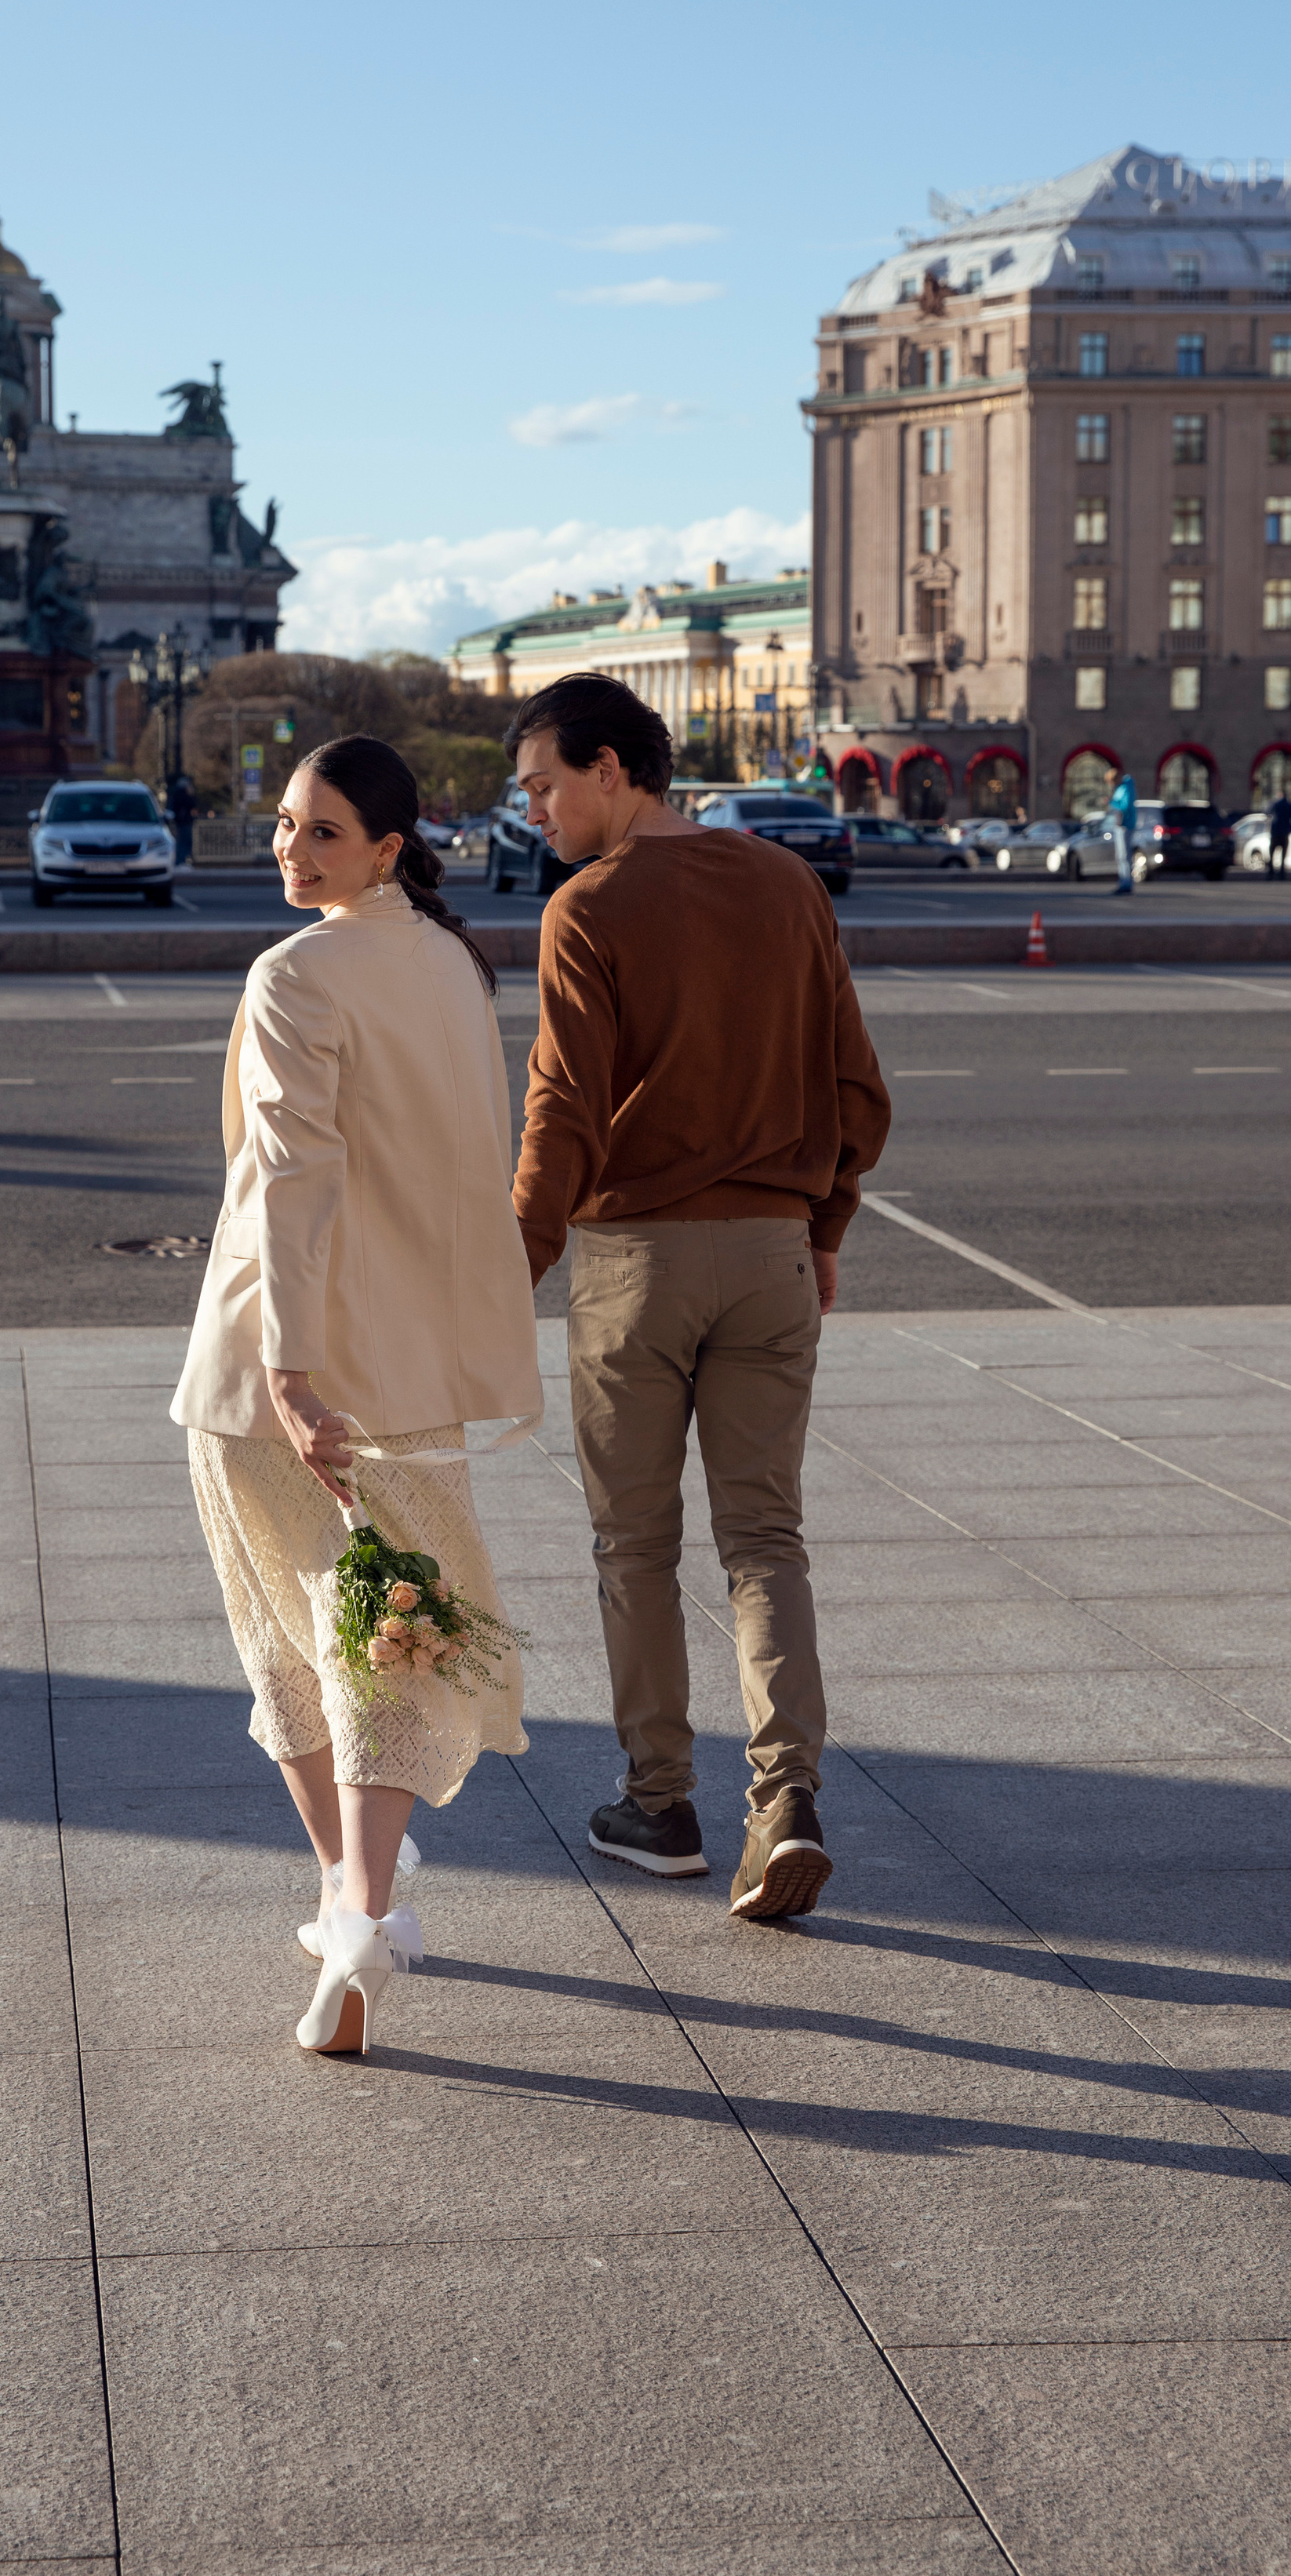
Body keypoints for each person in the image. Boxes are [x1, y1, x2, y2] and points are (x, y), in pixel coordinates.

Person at [173, 734, 541, 2053]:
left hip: (285, 1366)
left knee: (290, 1633)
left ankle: (348, 1900)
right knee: (396, 1624)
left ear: (389, 844)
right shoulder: (450, 960)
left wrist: (287, 1364)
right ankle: (364, 1907)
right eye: (282, 823)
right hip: (414, 1367)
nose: (289, 846)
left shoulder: (295, 973)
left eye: (322, 830)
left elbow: (296, 1178)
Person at [507, 675, 890, 1918]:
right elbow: (857, 1090)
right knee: (765, 1540)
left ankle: (659, 1801)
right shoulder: (787, 885)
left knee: (635, 1544)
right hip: (776, 1253)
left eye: (546, 786)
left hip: (635, 1265)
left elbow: (563, 1107)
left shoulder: (589, 909)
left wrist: (517, 1258)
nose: (538, 813)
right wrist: (819, 1228)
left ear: (613, 768)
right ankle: (786, 1801)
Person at [1106, 767, 1138, 892]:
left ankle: (1127, 883)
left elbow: (1124, 806)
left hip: (1126, 825)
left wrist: (1111, 802)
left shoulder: (1126, 788)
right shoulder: (1121, 788)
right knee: (1120, 855)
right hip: (1120, 824)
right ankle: (1123, 881)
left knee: (1125, 855)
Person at [165, 766, 197, 866]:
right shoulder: (184, 795)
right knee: (185, 841)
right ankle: (182, 860)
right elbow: (192, 804)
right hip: (185, 821)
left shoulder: (175, 795)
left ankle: (181, 860)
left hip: (180, 821)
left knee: (181, 841)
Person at [1267, 791, 1291, 877]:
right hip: (1285, 833)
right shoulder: (1290, 806)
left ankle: (1271, 873)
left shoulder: (1275, 805)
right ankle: (1282, 873)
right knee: (1283, 855)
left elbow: (1267, 813)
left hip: (1275, 833)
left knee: (1272, 853)